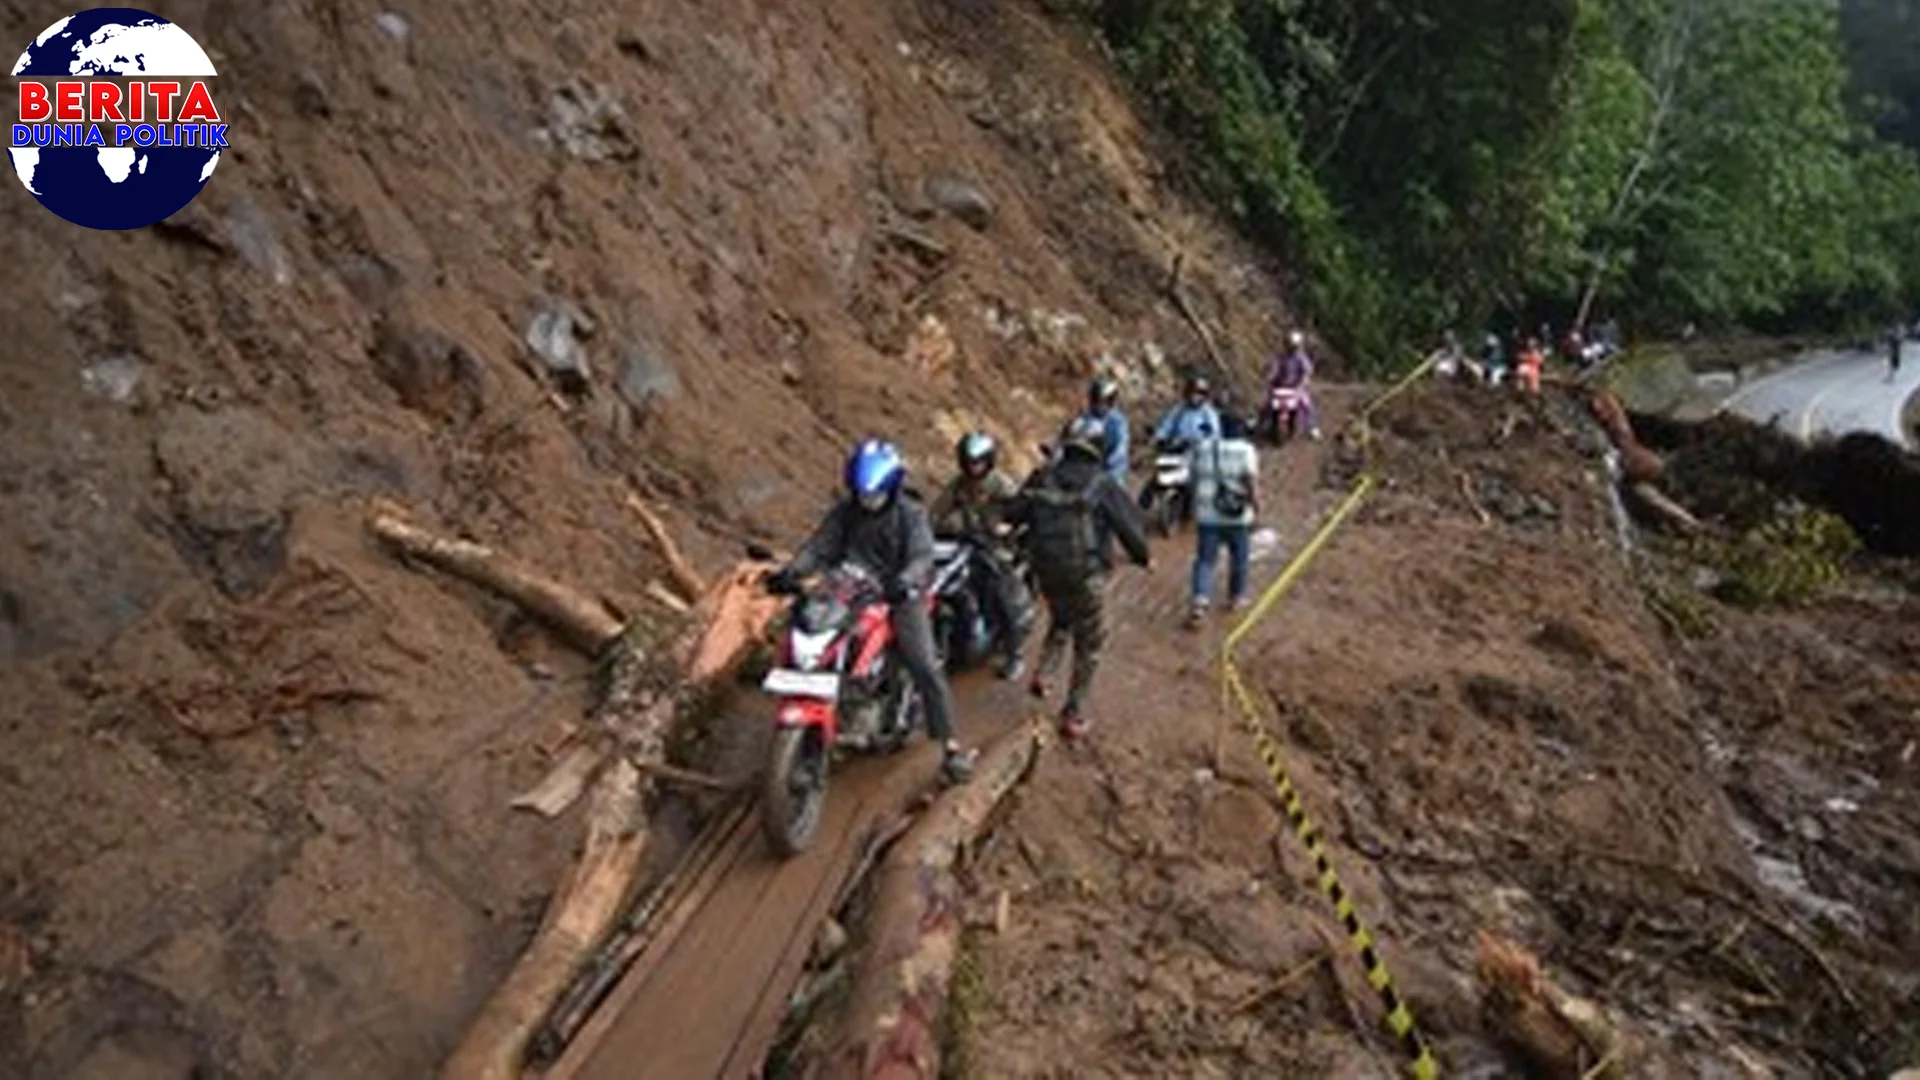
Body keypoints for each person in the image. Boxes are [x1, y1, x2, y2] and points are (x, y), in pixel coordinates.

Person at [767, 439, 973, 784]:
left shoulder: (911, 514)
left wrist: (905, 581)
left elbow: (922, 556)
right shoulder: (845, 511)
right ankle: (835, 696)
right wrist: (792, 572)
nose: (868, 502)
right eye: (862, 495)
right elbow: (820, 547)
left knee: (923, 664)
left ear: (891, 487)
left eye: (874, 495)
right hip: (849, 588)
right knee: (809, 625)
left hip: (899, 595)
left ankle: (951, 748)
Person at [1008, 415, 1152, 739]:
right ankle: (1073, 713)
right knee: (1090, 643)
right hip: (1086, 575)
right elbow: (1131, 529)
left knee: (1060, 618)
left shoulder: (1042, 476)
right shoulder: (1102, 483)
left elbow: (1012, 511)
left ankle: (1045, 675)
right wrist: (1144, 557)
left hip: (1046, 571)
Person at [930, 431, 1034, 679]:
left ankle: (1014, 652)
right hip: (964, 544)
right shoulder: (958, 486)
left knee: (1000, 593)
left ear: (989, 461)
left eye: (978, 462)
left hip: (996, 547)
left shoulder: (1000, 484)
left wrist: (1008, 526)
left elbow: (1021, 508)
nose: (973, 467)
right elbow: (936, 512)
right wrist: (928, 527)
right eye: (969, 462)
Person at [1186, 411, 1260, 626]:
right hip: (1237, 517)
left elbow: (1193, 479)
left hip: (1207, 513)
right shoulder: (1247, 451)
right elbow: (1252, 485)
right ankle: (1236, 598)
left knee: (1205, 560)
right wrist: (1257, 510)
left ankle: (1200, 600)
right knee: (1239, 558)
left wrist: (1193, 510)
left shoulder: (1204, 448)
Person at [1072, 376, 1130, 569]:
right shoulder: (1083, 419)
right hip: (1085, 470)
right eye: (1095, 401)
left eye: (1103, 402)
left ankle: (1106, 555)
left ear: (1111, 402)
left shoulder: (1118, 422)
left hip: (1111, 472)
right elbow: (1069, 437)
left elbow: (1121, 447)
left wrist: (1110, 462)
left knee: (1110, 512)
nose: (1099, 406)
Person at [1263, 329, 1322, 440]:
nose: (1291, 348)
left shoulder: (1301, 358)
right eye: (1289, 344)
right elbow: (1275, 368)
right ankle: (1262, 424)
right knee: (1267, 404)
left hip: (1296, 388)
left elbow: (1307, 371)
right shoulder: (1281, 357)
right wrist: (1270, 377)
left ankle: (1312, 427)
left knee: (1306, 405)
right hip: (1280, 387)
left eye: (1294, 345)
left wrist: (1303, 381)